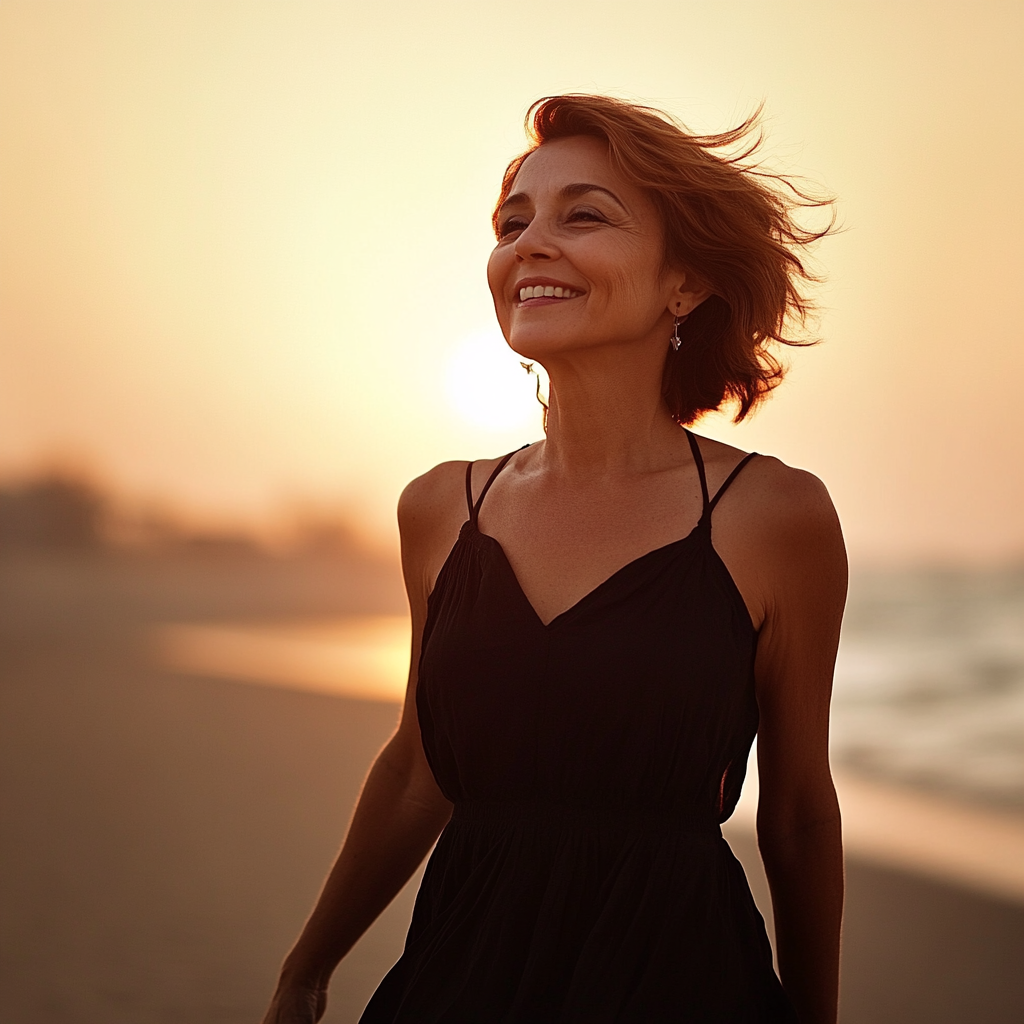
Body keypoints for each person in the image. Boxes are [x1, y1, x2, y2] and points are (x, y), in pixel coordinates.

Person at [261, 94, 846, 1024]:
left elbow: (800, 812)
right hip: (464, 969)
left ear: (682, 283)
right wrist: (306, 971)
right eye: (512, 221)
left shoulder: (774, 514)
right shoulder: (442, 507)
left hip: (680, 977)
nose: (529, 243)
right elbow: (419, 766)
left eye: (585, 215)